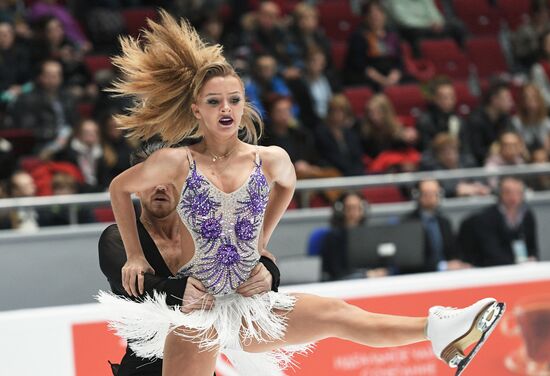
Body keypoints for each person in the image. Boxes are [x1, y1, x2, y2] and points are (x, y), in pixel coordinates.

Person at [97, 12, 504, 376]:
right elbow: (119, 188)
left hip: (248, 306)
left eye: (234, 100)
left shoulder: (271, 158)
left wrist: (261, 241)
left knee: (335, 314)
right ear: (197, 109)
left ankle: (442, 331)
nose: (227, 108)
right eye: (214, 101)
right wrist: (134, 253)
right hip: (197, 311)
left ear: (244, 105)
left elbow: (288, 185)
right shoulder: (175, 161)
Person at [99, 140, 281, 376]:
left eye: (169, 178)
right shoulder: (117, 239)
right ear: (135, 185)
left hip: (199, 367)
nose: (161, 187)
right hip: (144, 370)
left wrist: (268, 273)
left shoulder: (209, 233)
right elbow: (136, 287)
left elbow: (246, 261)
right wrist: (179, 291)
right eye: (151, 180)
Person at [459, 176, 539, 267]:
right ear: (500, 193)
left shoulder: (527, 215)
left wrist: (532, 259)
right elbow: (491, 252)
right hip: (495, 269)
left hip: (522, 267)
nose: (513, 196)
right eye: (508, 192)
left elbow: (533, 247)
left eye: (518, 192)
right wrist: (515, 264)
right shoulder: (486, 217)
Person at [320, 191, 389, 281]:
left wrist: (379, 271)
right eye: (350, 207)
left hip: (371, 282)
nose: (354, 212)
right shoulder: (333, 238)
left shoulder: (370, 235)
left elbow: (379, 263)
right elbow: (336, 272)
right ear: (341, 210)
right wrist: (365, 275)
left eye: (357, 207)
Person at [403, 180, 470, 272]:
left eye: (434, 193)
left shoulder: (444, 222)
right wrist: (442, 266)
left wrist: (459, 263)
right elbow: (410, 260)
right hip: (421, 276)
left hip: (449, 275)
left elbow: (454, 251)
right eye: (426, 193)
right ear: (417, 195)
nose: (430, 196)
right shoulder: (408, 223)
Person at [466, 81, 515, 166]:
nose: (511, 102)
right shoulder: (476, 120)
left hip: (503, 162)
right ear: (495, 100)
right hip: (481, 167)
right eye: (506, 98)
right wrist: (495, 150)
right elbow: (476, 151)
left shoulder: (505, 118)